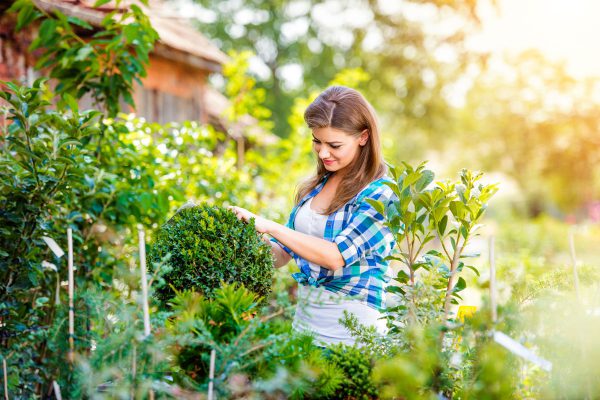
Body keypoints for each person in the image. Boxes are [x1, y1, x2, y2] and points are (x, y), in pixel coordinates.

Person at [229, 86, 397, 346]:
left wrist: (270, 226)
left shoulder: (381, 193)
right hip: (306, 327)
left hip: (352, 335)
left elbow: (335, 256)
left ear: (363, 137)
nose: (323, 152)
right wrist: (243, 233)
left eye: (334, 145)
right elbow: (282, 254)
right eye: (317, 141)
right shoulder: (315, 187)